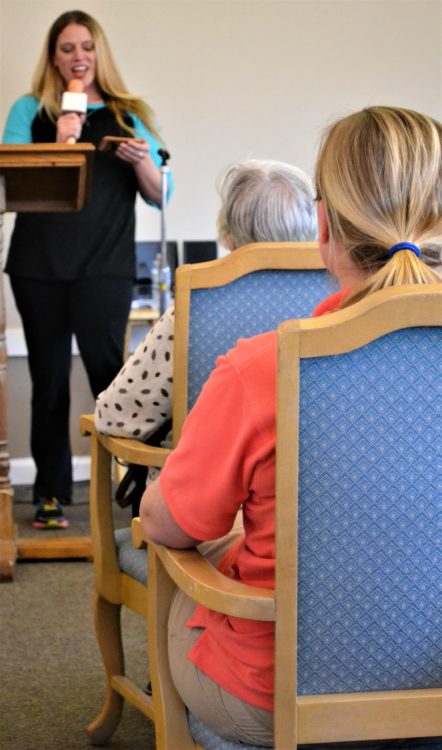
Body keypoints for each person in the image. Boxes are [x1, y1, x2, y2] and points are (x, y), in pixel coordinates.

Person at [140, 106, 442, 747]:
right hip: (435, 685)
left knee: (180, 566)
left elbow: (167, 526)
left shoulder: (264, 366)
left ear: (324, 227)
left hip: (275, 699)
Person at [2, 10, 172, 529]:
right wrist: (62, 139)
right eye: (67, 48)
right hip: (38, 266)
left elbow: (160, 193)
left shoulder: (128, 113)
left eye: (86, 47)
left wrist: (141, 161)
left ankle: (138, 489)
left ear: (99, 54)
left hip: (105, 266)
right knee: (49, 377)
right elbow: (13, 180)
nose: (78, 56)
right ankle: (50, 495)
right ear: (53, 58)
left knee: (112, 378)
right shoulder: (30, 110)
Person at [94, 159, 317, 511]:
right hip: (321, 512)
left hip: (204, 513)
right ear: (315, 230)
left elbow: (115, 416)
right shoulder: (343, 306)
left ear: (228, 237)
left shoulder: (194, 311)